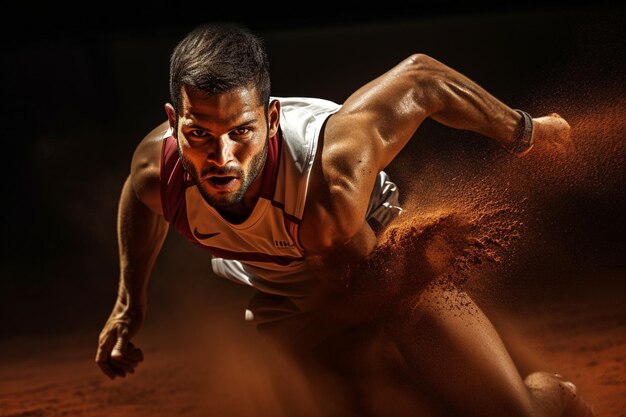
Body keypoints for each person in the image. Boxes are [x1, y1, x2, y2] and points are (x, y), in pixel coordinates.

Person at [95, 22, 594, 416]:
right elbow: (138, 201)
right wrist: (127, 302)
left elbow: (423, 78)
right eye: (198, 132)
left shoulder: (330, 179)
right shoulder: (154, 170)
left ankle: (557, 394)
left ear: (270, 120)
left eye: (240, 131)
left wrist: (527, 132)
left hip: (390, 275)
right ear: (174, 121)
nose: (221, 156)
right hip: (292, 306)